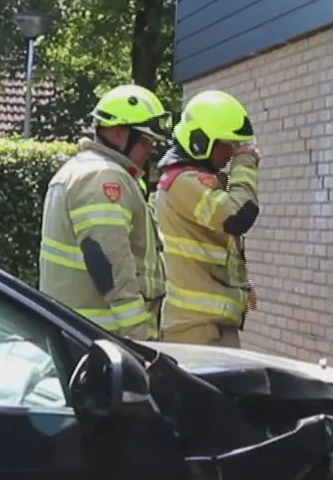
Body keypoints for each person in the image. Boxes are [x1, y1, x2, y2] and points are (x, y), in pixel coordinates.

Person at [38, 83, 170, 340]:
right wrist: (139, 338)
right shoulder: (103, 177)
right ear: (119, 132)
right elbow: (111, 264)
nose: (150, 151)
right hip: (106, 338)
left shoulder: (80, 170)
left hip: (82, 335)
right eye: (146, 141)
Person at [152, 89, 259, 347]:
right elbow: (238, 216)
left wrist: (242, 286)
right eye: (228, 144)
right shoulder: (183, 182)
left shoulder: (195, 181)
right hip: (195, 330)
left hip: (209, 326)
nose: (232, 153)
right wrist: (246, 162)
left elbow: (215, 243)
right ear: (201, 141)